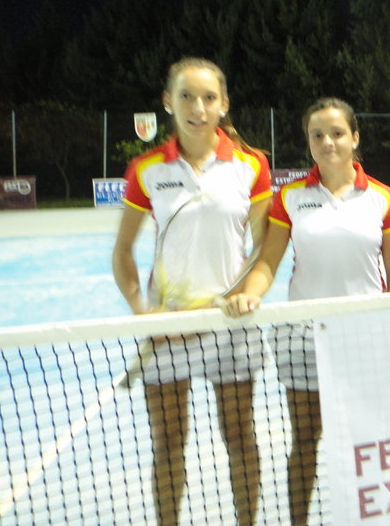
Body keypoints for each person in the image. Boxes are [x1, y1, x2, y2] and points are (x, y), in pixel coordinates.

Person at [221, 97, 390, 525]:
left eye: (337, 133)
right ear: (308, 141)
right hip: (303, 338)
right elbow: (267, 263)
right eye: (317, 135)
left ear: (355, 138)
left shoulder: (383, 198)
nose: (328, 142)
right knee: (305, 440)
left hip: (366, 339)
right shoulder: (290, 197)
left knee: (370, 439)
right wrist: (250, 294)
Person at [112, 57, 271, 526]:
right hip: (169, 329)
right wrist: (142, 309)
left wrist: (248, 293)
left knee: (240, 436)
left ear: (223, 104)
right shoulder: (146, 169)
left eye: (208, 98)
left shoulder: (251, 165)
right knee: (168, 443)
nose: (197, 108)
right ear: (168, 101)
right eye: (186, 96)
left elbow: (265, 245)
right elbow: (123, 252)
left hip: (231, 325)